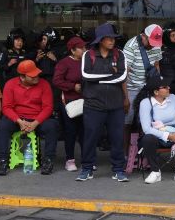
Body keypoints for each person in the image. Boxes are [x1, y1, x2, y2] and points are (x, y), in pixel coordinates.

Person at [77, 23, 128, 182]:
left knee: (117, 138)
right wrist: (109, 77)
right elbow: (86, 75)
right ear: (100, 40)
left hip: (116, 105)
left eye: (113, 38)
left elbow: (122, 76)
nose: (112, 41)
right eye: (108, 38)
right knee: (90, 137)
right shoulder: (88, 55)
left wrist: (99, 78)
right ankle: (87, 168)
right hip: (93, 104)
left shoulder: (120, 55)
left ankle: (119, 170)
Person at [0, 60, 59, 176]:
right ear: (22, 77)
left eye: (37, 74)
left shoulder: (44, 84)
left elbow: (48, 108)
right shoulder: (10, 84)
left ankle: (48, 160)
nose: (36, 77)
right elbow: (6, 107)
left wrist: (35, 123)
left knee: (52, 126)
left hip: (37, 119)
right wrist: (19, 121)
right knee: (2, 126)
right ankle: (2, 160)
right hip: (17, 119)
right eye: (32, 76)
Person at [138, 74, 175, 185]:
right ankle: (155, 172)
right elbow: (146, 128)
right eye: (165, 87)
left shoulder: (173, 98)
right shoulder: (145, 103)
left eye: (168, 86)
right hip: (158, 135)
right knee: (148, 138)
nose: (169, 88)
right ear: (156, 92)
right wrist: (167, 136)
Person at [122, 24, 163, 149]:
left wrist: (158, 89)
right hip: (131, 87)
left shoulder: (156, 45)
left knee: (152, 120)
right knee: (127, 121)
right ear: (143, 36)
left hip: (149, 87)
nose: (152, 45)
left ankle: (147, 153)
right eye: (150, 41)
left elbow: (156, 66)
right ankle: (124, 154)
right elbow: (125, 74)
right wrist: (126, 98)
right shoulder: (131, 46)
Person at [52, 36, 86, 172]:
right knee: (70, 131)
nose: (85, 50)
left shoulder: (87, 61)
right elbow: (56, 81)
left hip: (86, 101)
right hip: (69, 102)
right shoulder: (64, 63)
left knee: (86, 131)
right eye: (81, 48)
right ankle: (70, 160)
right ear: (73, 50)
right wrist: (73, 86)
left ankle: (87, 159)